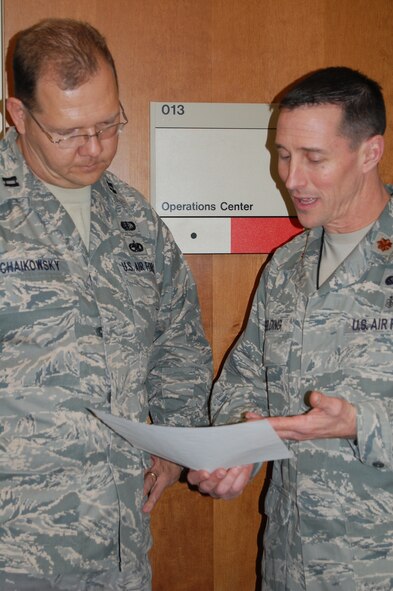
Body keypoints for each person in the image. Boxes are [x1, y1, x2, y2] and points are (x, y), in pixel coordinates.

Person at [1, 18, 212, 591]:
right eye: (69, 132)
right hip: (14, 547)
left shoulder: (132, 216)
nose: (94, 149)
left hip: (120, 539)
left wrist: (174, 437)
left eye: (107, 124)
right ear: (19, 116)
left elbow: (180, 338)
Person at [188, 66, 393, 590]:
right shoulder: (287, 266)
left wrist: (362, 423)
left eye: (314, 158)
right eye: (283, 154)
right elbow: (242, 379)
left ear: (369, 153)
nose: (291, 178)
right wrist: (237, 447)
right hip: (290, 563)